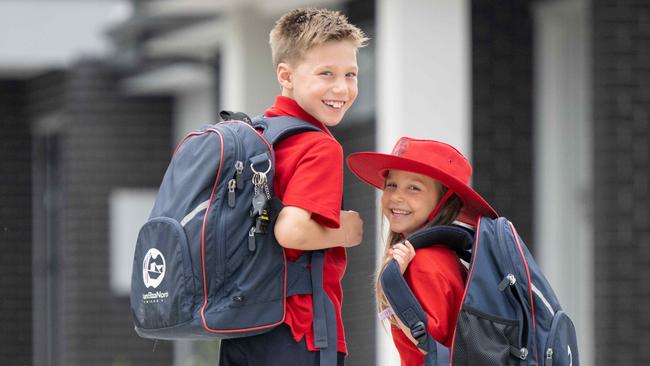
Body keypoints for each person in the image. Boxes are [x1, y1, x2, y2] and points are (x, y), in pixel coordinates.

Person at [218, 8, 368, 366]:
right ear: (285, 75)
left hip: (243, 323)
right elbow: (292, 231)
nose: (342, 88)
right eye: (325, 74)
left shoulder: (257, 136)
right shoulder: (319, 145)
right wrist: (345, 232)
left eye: (351, 74)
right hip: (298, 329)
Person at [346, 137, 497, 366]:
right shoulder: (440, 255)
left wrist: (393, 286)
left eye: (413, 188)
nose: (397, 196)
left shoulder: (424, 262)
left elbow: (430, 345)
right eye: (391, 185)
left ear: (445, 202)